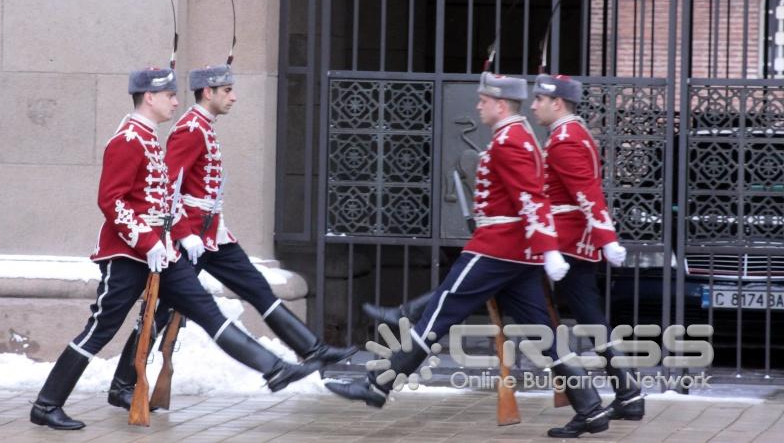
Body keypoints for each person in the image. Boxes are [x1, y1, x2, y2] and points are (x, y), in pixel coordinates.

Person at [30, 68, 318, 431]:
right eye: (169, 96)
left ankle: (274, 369)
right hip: (126, 255)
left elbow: (164, 198)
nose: (177, 102)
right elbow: (111, 201)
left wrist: (174, 238)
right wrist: (147, 241)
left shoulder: (149, 139)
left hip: (163, 253)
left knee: (207, 310)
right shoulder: (128, 140)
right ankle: (46, 403)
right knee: (101, 329)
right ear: (149, 97)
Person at [324, 73, 610, 439]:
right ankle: (590, 409)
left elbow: (531, 199)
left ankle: (378, 385)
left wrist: (549, 248)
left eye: (484, 100)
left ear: (500, 104)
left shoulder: (510, 140)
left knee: (438, 313)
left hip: (497, 249)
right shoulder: (517, 136)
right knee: (546, 334)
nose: (478, 105)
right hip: (514, 253)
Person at [106, 64, 357, 410]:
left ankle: (312, 348)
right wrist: (181, 234)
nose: (233, 96)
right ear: (207, 92)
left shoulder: (204, 127)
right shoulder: (190, 130)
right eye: (226, 90)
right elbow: (167, 188)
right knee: (159, 314)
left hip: (213, 235)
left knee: (256, 287)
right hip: (190, 239)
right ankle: (122, 383)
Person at [531, 73, 644, 421]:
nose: (534, 105)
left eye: (540, 99)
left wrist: (607, 238)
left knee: (588, 318)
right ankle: (628, 393)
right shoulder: (571, 133)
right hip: (570, 239)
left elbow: (587, 193)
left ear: (558, 103)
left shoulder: (565, 139)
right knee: (591, 319)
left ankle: (620, 394)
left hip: (565, 241)